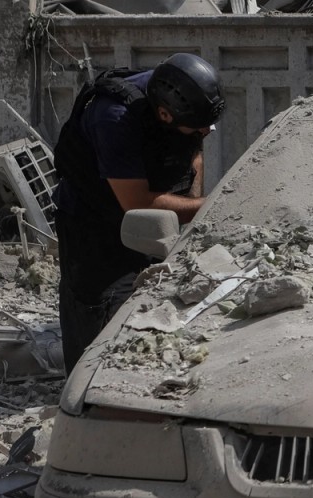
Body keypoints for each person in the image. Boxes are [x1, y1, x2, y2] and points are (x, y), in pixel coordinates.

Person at [52, 52, 225, 370]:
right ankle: (87, 387)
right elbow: (138, 204)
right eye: (197, 129)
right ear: (164, 114)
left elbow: (194, 154)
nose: (204, 133)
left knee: (152, 298)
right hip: (91, 222)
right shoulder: (114, 116)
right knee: (100, 309)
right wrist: (209, 207)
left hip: (144, 207)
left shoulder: (189, 103)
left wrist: (187, 216)